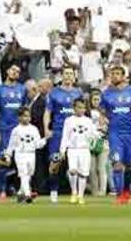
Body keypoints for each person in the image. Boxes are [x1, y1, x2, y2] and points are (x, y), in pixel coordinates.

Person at [101, 63, 131, 204]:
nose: (114, 76)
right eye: (112, 74)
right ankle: (119, 195)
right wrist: (103, 119)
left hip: (129, 132)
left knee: (129, 164)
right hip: (115, 133)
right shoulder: (106, 93)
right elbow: (102, 111)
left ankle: (126, 193)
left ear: (123, 76)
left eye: (117, 74)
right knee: (117, 163)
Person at [45, 66, 83, 202]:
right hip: (58, 131)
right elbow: (48, 112)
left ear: (74, 76)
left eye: (70, 74)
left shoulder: (78, 93)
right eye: (66, 73)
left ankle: (77, 192)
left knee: (76, 164)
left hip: (74, 133)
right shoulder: (54, 92)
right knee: (55, 162)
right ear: (61, 76)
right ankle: (53, 191)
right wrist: (47, 129)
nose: (68, 76)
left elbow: (82, 112)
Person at [0, 64, 27, 199]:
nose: (15, 72)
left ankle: (21, 189)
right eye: (13, 70)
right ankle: (2, 190)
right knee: (4, 160)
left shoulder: (22, 89)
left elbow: (24, 110)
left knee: (21, 160)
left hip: (18, 130)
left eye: (17, 71)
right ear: (7, 71)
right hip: (4, 130)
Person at [60, 97, 97, 205]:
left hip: (84, 149)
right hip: (72, 149)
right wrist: (62, 150)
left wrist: (99, 138)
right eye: (79, 107)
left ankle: (80, 195)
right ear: (74, 108)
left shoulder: (88, 121)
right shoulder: (69, 121)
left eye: (83, 108)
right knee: (72, 170)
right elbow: (65, 136)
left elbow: (94, 134)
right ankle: (74, 192)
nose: (81, 110)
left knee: (83, 173)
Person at [5, 108, 47, 203]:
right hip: (20, 154)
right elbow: (11, 145)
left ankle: (20, 193)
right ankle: (28, 194)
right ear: (19, 117)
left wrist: (45, 140)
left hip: (31, 154)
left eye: (28, 116)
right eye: (24, 116)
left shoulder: (34, 129)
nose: (27, 118)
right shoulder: (16, 130)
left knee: (29, 174)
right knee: (23, 174)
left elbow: (37, 144)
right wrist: (8, 155)